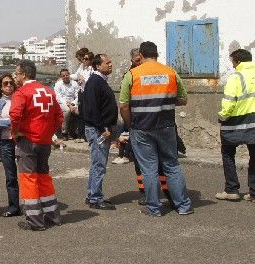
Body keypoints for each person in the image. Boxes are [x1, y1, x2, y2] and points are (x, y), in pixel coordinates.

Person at [119, 41, 193, 217]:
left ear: (141, 56)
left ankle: (154, 208)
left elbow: (123, 106)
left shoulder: (132, 74)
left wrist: (130, 125)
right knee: (172, 165)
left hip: (141, 128)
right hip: (166, 126)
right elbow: (183, 99)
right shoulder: (171, 72)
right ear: (157, 54)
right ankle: (183, 206)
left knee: (149, 169)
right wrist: (163, 101)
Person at [10, 60, 64, 231]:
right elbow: (59, 116)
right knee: (43, 177)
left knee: (29, 179)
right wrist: (48, 133)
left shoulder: (21, 92)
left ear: (24, 74)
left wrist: (15, 133)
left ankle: (35, 221)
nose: (15, 77)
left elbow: (15, 115)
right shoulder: (48, 91)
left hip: (28, 141)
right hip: (45, 142)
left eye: (17, 74)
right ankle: (52, 216)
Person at [215, 49, 255, 203]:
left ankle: (232, 190)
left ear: (237, 61)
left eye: (232, 62)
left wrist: (222, 117)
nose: (232, 65)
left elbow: (229, 103)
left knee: (227, 153)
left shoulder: (235, 77)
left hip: (236, 122)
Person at [82, 54, 118, 210]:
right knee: (99, 165)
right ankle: (96, 198)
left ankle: (92, 194)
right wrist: (102, 129)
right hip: (98, 130)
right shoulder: (95, 82)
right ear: (98, 65)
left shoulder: (100, 81)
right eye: (107, 63)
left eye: (110, 62)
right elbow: (93, 108)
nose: (110, 65)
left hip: (100, 128)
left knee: (97, 163)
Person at [0, 73, 20, 217]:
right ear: (0, 87)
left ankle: (32, 203)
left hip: (21, 141)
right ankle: (14, 207)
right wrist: (15, 120)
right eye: (5, 83)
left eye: (11, 83)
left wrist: (7, 119)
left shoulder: (20, 100)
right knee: (11, 176)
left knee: (28, 174)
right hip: (6, 143)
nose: (9, 86)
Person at [53, 68, 81, 140]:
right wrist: (68, 104)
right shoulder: (58, 84)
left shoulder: (74, 84)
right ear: (61, 77)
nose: (65, 77)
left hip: (73, 102)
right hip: (62, 103)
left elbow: (78, 96)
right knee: (67, 110)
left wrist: (72, 103)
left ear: (69, 75)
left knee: (78, 111)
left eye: (67, 75)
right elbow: (58, 97)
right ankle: (64, 131)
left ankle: (74, 131)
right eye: (63, 75)